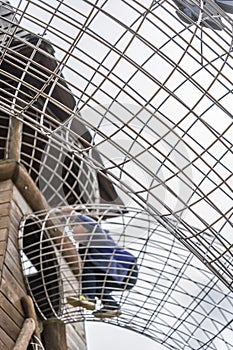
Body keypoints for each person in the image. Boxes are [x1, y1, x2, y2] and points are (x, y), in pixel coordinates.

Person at [61, 207, 138, 319]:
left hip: (127, 269)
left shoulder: (98, 237)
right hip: (119, 276)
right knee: (97, 284)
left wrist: (73, 214)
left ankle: (88, 298)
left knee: (88, 267)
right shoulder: (84, 250)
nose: (72, 230)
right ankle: (111, 306)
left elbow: (94, 225)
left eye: (76, 226)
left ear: (87, 229)